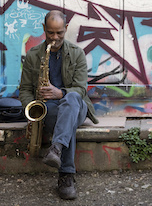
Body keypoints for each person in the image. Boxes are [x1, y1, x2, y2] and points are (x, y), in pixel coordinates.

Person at [19, 10, 98, 200]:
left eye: (60, 33)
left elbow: (80, 89)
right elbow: (25, 90)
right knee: (65, 121)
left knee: (70, 101)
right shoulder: (33, 55)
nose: (55, 38)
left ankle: (59, 159)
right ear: (44, 29)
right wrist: (32, 110)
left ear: (66, 29)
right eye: (50, 33)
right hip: (49, 110)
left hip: (77, 107)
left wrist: (60, 93)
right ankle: (65, 175)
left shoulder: (77, 53)